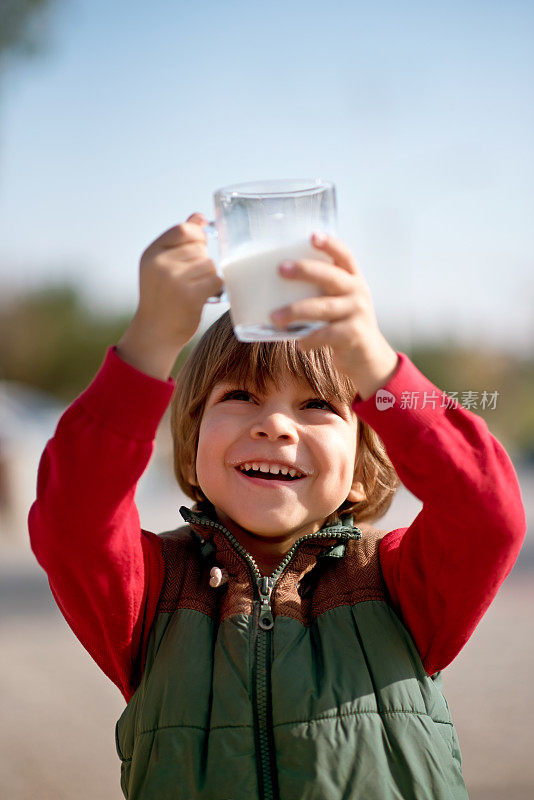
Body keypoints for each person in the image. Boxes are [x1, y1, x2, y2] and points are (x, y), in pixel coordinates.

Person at [28, 213, 526, 800]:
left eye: (317, 405)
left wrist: (373, 360)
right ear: (190, 448)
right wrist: (152, 339)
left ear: (364, 473)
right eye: (240, 396)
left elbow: (488, 512)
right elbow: (72, 517)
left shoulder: (396, 584)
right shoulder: (152, 593)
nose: (275, 426)